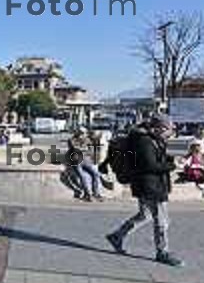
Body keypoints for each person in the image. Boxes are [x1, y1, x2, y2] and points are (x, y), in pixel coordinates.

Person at [106, 114, 183, 267]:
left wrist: (171, 160)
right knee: (162, 220)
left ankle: (117, 236)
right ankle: (163, 252)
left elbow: (154, 160)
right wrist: (174, 166)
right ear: (160, 127)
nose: (170, 133)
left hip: (147, 185)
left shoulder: (152, 139)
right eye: (169, 129)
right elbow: (149, 166)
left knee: (145, 215)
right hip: (150, 186)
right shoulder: (144, 141)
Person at [68, 127, 103, 202]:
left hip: (87, 160)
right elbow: (75, 148)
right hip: (77, 160)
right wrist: (84, 146)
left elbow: (91, 148)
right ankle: (88, 194)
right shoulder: (72, 139)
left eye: (84, 133)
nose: (84, 134)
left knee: (96, 174)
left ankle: (96, 193)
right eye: (82, 133)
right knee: (83, 177)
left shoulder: (87, 139)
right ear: (78, 133)